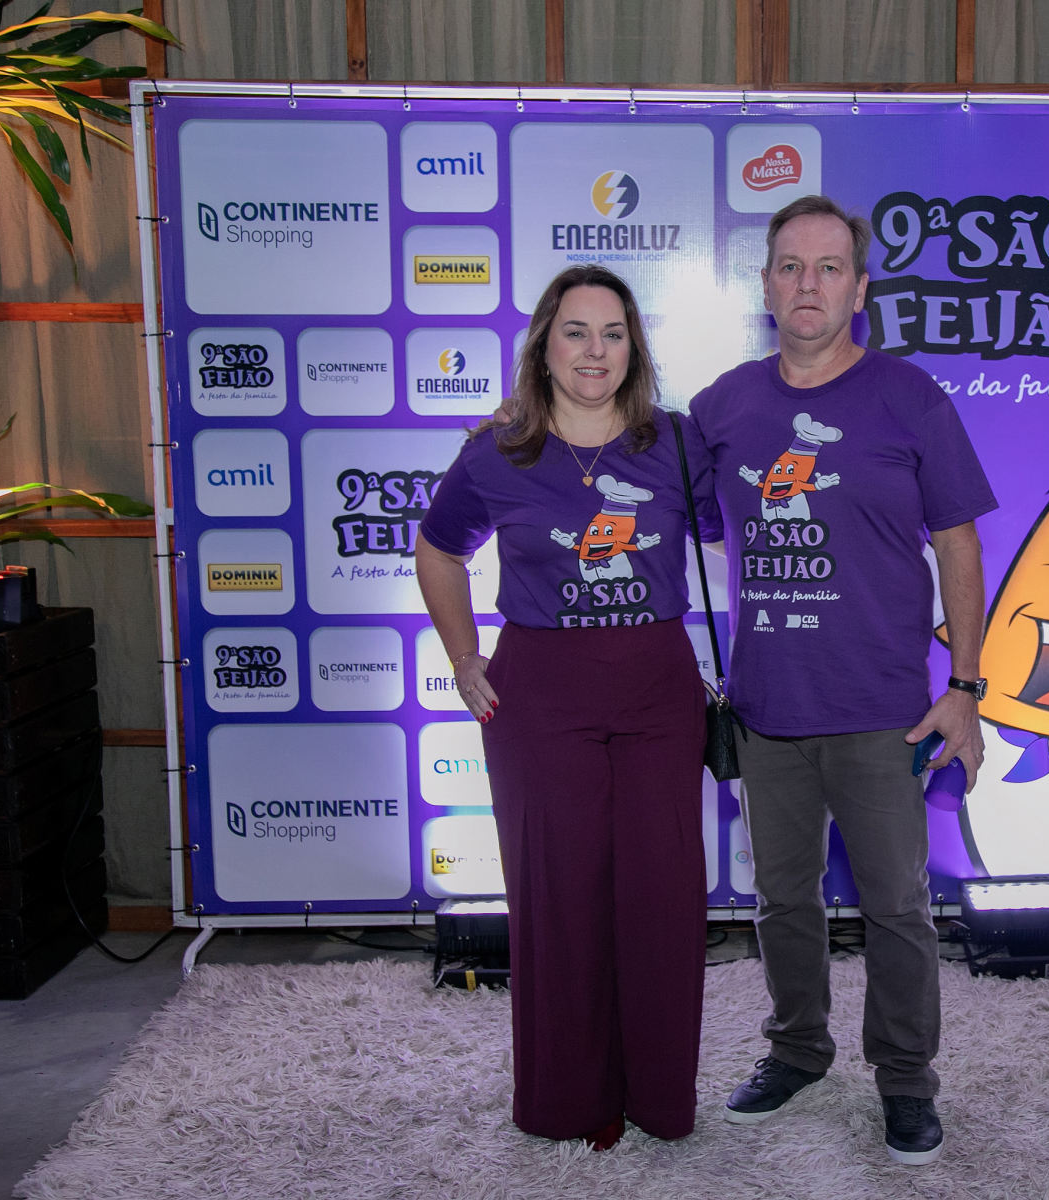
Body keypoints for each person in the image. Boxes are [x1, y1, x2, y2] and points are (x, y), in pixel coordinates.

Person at [690, 195, 997, 1165]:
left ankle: (904, 1079)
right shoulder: (721, 407)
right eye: (789, 266)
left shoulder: (909, 398)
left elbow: (958, 544)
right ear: (765, 284)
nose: (807, 284)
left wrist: (966, 688)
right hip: (766, 708)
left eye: (828, 268)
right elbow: (671, 514)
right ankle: (797, 1049)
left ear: (859, 290)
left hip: (882, 711)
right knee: (781, 901)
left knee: (896, 907)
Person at [415, 264, 720, 1151]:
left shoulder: (678, 443)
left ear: (635, 348)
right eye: (576, 332)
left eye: (613, 333)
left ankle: (659, 1099)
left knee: (662, 896)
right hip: (541, 696)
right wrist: (463, 656)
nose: (595, 351)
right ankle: (564, 1100)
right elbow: (437, 551)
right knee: (558, 898)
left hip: (657, 690)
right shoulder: (498, 451)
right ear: (544, 347)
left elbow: (745, 527)